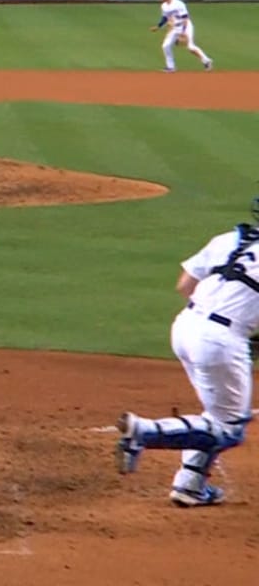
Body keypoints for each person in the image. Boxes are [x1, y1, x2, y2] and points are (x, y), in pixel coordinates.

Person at [114, 192, 259, 507]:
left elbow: (184, 285)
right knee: (229, 428)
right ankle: (144, 431)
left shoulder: (229, 238)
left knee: (215, 412)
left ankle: (190, 485)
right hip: (221, 340)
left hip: (185, 326)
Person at [150, 0, 212, 73]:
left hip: (186, 26)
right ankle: (171, 67)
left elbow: (185, 18)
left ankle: (206, 61)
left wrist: (182, 33)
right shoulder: (164, 6)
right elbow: (165, 17)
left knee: (190, 46)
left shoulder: (179, 4)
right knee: (166, 46)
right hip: (175, 28)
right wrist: (158, 26)